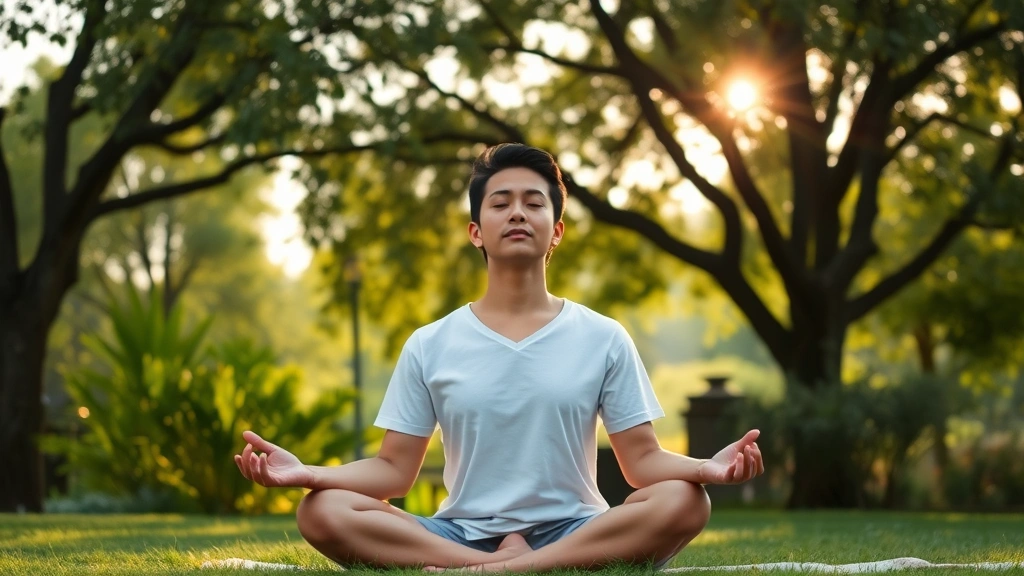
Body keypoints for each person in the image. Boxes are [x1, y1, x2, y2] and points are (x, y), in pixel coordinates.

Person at [234, 143, 764, 572]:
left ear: (556, 230)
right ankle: (493, 565)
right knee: (322, 510)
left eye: (534, 203)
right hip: (458, 533)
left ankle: (510, 569)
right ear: (476, 231)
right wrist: (308, 474)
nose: (517, 213)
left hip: (576, 529)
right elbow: (393, 471)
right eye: (500, 203)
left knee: (686, 500)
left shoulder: (603, 336)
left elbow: (642, 462)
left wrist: (706, 469)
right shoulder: (430, 343)